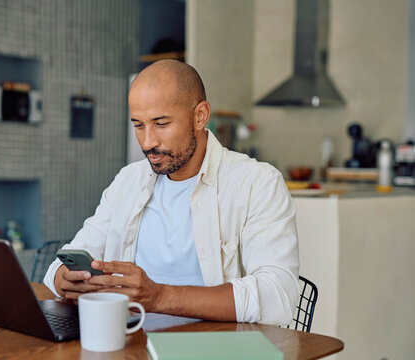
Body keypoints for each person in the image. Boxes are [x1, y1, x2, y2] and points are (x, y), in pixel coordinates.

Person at [44, 60, 299, 324]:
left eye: (161, 123)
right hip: (128, 343)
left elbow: (278, 296)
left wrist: (159, 297)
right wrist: (64, 278)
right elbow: (66, 260)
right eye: (138, 125)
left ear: (200, 116)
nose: (147, 142)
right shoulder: (128, 181)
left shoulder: (257, 183)